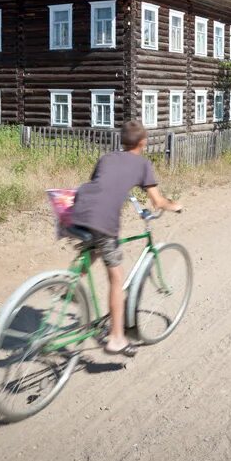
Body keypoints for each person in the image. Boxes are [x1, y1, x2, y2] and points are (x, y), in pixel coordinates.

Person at [68, 119, 182, 357]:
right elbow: (157, 201)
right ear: (143, 142)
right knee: (116, 278)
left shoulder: (107, 158)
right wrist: (175, 206)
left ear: (122, 140)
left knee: (96, 247)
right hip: (103, 220)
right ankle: (117, 338)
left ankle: (68, 285)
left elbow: (100, 184)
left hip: (79, 209)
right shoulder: (142, 164)